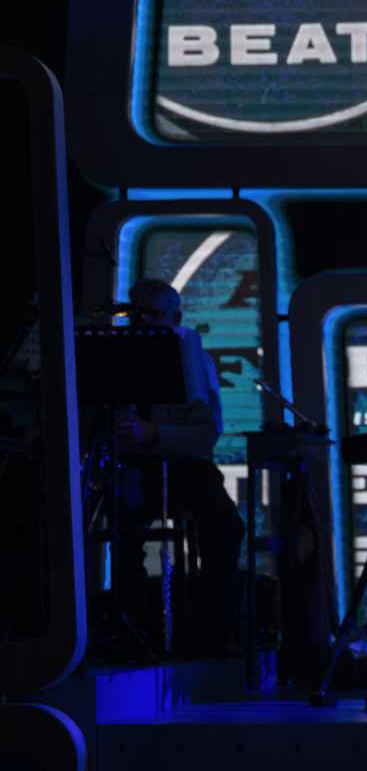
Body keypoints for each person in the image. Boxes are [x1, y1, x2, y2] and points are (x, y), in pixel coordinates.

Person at [111, 278, 243, 654]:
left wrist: (153, 432)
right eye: (137, 314)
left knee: (227, 526)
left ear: (176, 318)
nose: (144, 322)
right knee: (121, 525)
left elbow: (206, 434)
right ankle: (130, 628)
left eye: (154, 315)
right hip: (132, 464)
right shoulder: (113, 357)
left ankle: (214, 632)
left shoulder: (195, 361)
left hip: (186, 465)